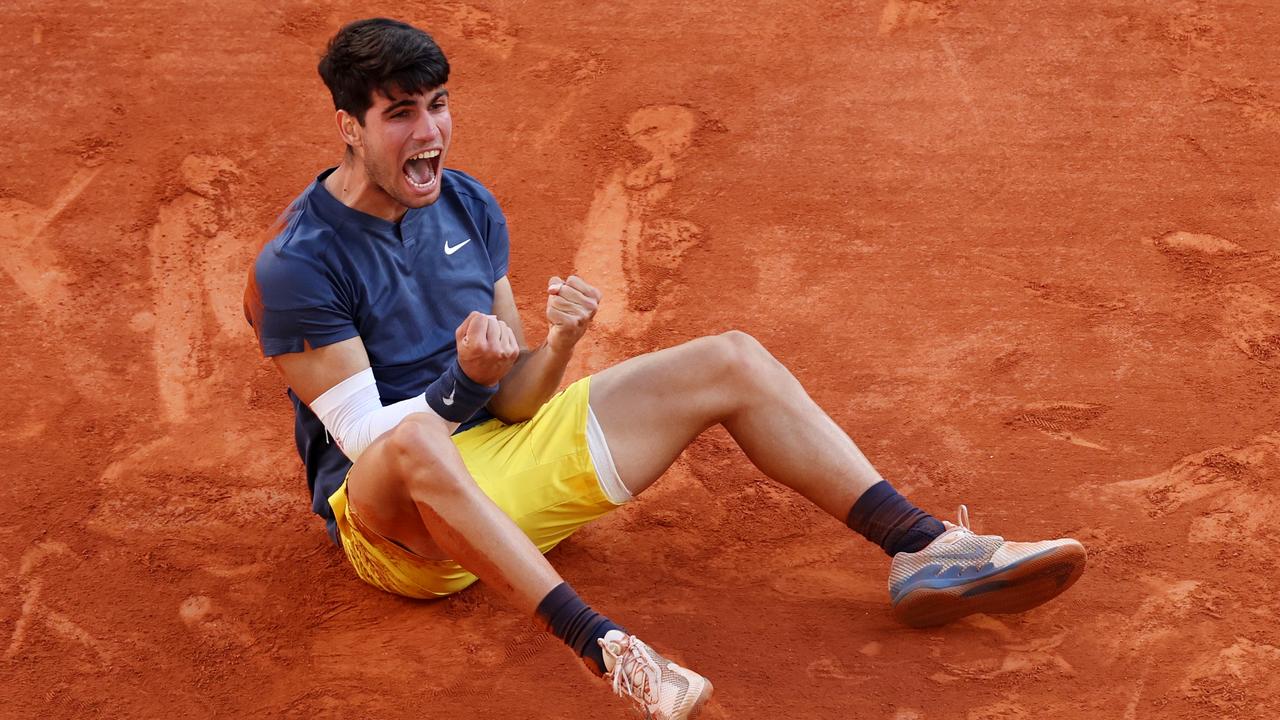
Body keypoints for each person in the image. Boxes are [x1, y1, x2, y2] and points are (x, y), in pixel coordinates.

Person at [244, 18, 1087, 720]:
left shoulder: (465, 203)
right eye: (400, 114)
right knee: (419, 450)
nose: (428, 133)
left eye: (438, 106)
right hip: (401, 535)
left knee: (731, 359)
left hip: (492, 474)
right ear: (349, 126)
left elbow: (513, 407)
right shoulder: (297, 268)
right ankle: (611, 653)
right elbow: (371, 446)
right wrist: (464, 380)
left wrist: (559, 345)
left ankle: (925, 547)